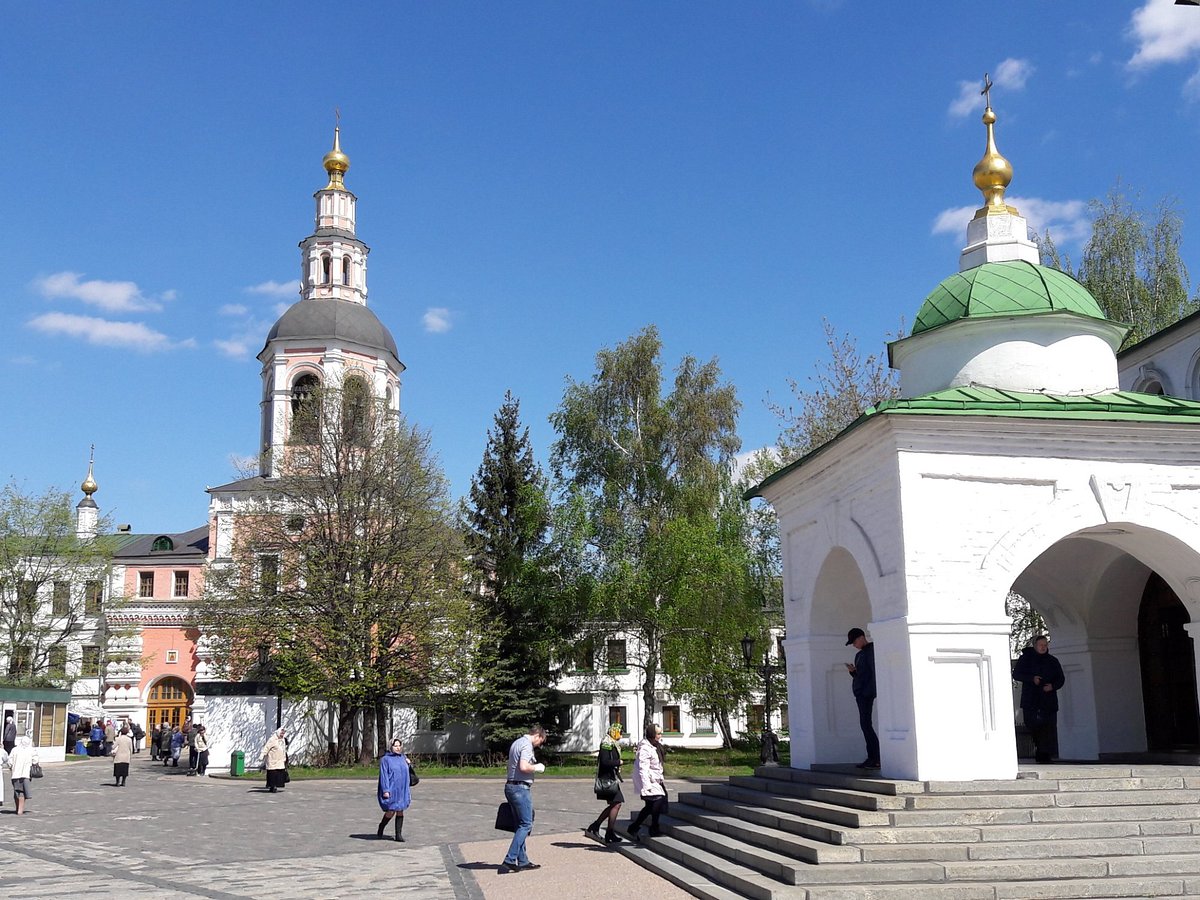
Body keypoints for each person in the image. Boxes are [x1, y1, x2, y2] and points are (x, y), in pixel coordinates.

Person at [499, 724, 547, 874]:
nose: (540, 745)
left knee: (519, 825)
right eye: (541, 741)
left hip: (511, 786)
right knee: (526, 824)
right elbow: (524, 766)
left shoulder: (517, 742)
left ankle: (523, 860)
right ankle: (509, 859)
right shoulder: (526, 745)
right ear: (537, 736)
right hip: (520, 788)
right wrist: (537, 767)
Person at [1013, 634, 1066, 763]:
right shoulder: (1026, 659)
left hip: (1048, 700)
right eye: (1041, 645)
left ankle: (1045, 754)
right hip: (1031, 699)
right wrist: (1032, 679)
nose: (1043, 647)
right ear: (1035, 646)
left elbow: (1061, 679)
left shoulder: (1052, 661)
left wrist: (1052, 686)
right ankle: (1039, 748)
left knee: (1048, 728)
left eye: (1045, 645)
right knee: (1033, 725)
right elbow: (1017, 674)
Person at [584, 723, 625, 844]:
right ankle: (608, 831)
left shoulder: (612, 743)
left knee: (615, 804)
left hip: (611, 778)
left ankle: (598, 827)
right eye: (620, 732)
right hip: (606, 779)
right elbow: (605, 761)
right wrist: (618, 762)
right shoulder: (606, 744)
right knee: (617, 803)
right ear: (614, 732)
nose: (621, 735)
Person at [846, 627, 880, 770]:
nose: (854, 645)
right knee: (865, 726)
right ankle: (872, 757)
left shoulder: (871, 652)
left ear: (861, 637)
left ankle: (876, 757)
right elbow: (862, 676)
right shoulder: (860, 655)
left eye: (854, 642)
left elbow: (873, 675)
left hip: (866, 694)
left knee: (866, 725)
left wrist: (868, 692)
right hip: (860, 693)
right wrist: (853, 672)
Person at [627, 723, 667, 842]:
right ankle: (654, 827)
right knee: (658, 800)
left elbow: (657, 765)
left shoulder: (655, 746)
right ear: (652, 735)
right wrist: (646, 786)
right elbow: (642, 769)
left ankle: (634, 827)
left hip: (655, 779)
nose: (660, 736)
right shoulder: (645, 748)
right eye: (658, 733)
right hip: (648, 781)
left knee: (651, 805)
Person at [376, 736, 412, 843]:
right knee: (391, 811)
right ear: (390, 747)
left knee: (400, 810)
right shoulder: (385, 760)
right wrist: (385, 790)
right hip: (392, 788)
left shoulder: (403, 757)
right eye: (395, 746)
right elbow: (384, 776)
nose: (397, 748)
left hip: (402, 789)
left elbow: (406, 772)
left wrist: (409, 764)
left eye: (399, 745)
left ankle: (398, 835)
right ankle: (382, 826)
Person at [9, 735, 38, 816]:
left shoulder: (15, 750)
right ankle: (20, 810)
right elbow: (35, 761)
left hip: (15, 774)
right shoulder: (31, 750)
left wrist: (11, 768)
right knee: (23, 792)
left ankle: (17, 807)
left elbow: (9, 761)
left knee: (16, 791)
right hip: (26, 774)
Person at [261, 727, 288, 793]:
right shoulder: (272, 739)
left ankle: (276, 785)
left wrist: (284, 758)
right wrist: (262, 755)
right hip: (272, 759)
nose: (282, 735)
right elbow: (266, 747)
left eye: (283, 734)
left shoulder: (283, 740)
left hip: (280, 760)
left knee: (279, 773)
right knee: (272, 773)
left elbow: (284, 749)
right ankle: (272, 786)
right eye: (281, 733)